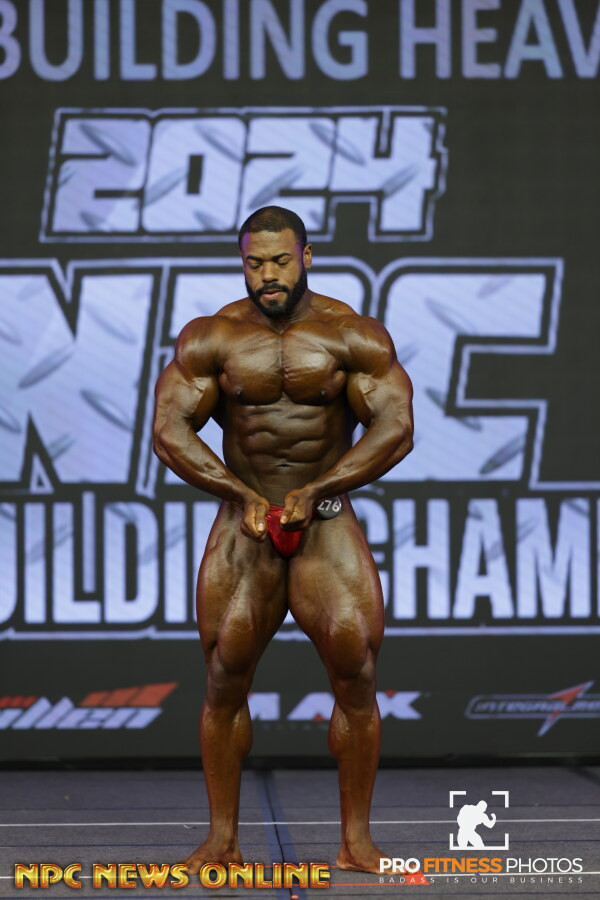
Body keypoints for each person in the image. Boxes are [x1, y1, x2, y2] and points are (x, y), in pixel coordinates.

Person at [152, 206, 414, 874]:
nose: (267, 275)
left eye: (279, 260)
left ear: (306, 256)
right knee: (224, 677)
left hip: (324, 521)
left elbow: (395, 428)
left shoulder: (352, 333)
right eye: (254, 262)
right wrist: (241, 494)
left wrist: (321, 486)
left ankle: (356, 843)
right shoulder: (212, 337)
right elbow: (169, 432)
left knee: (356, 673)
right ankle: (222, 841)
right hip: (245, 525)